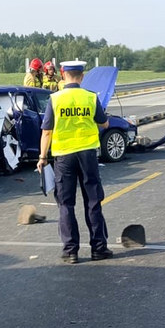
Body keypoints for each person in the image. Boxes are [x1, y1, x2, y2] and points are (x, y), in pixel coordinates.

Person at [36, 60, 112, 264]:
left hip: (64, 157)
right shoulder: (90, 98)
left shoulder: (55, 99)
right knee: (93, 201)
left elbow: (46, 131)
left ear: (63, 76)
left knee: (66, 203)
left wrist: (42, 158)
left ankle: (71, 251)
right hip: (87, 155)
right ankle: (99, 248)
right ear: (82, 76)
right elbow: (104, 122)